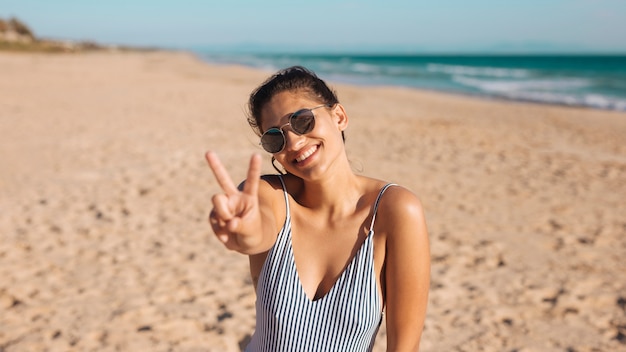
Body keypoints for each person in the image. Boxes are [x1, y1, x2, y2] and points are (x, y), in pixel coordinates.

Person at [205, 66, 430, 351]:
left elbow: (404, 347)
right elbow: (255, 234)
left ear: (339, 117)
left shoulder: (394, 210)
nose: (295, 142)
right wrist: (242, 231)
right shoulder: (271, 196)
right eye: (276, 138)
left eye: (302, 121)